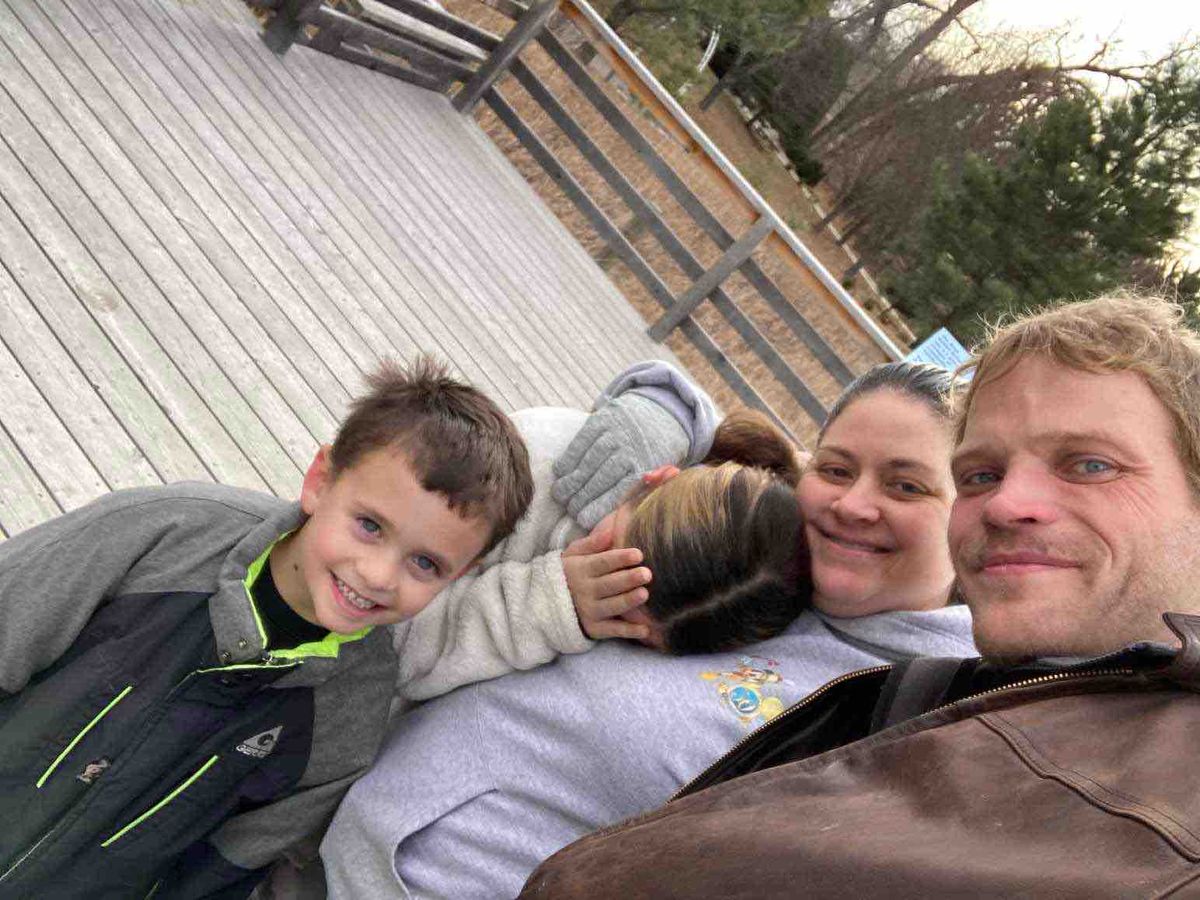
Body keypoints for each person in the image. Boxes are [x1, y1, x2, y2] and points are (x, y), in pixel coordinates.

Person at [521, 293, 1200, 898]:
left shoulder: (1145, 817)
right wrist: (664, 406)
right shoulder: (769, 571)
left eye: (1090, 465)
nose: (1006, 503)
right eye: (982, 474)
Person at [320, 361, 977, 899]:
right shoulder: (756, 546)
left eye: (907, 487)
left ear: (973, 511)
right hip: (318, 832)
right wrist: (664, 410)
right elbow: (738, 440)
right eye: (835, 470)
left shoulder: (919, 714)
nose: (853, 504)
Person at [0, 358, 601, 899]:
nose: (377, 575)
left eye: (425, 563)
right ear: (320, 481)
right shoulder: (163, 533)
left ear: (458, 575)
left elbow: (222, 870)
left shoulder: (348, 720)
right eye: (370, 525)